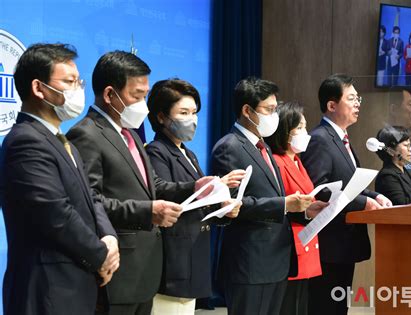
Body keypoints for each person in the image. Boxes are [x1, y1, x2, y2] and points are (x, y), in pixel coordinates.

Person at [67, 51, 213, 315]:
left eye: (145, 95)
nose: (143, 105)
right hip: (117, 271)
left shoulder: (130, 135)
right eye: (137, 96)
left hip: (146, 271)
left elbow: (153, 185)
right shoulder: (86, 134)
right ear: (110, 95)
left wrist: (194, 187)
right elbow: (90, 202)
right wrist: (148, 212)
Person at [0, 43, 118, 315]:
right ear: (39, 88)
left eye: (79, 81)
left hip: (75, 286)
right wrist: (100, 256)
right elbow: (55, 214)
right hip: (47, 290)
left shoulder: (63, 141)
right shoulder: (25, 141)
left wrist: (109, 237)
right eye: (69, 82)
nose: (78, 89)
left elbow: (91, 198)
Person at [211, 77, 315, 315]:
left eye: (275, 109)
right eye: (269, 110)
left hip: (275, 260)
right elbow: (232, 205)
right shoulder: (230, 146)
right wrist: (284, 205)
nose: (274, 116)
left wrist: (304, 209)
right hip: (250, 262)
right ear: (247, 110)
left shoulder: (263, 146)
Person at [145, 78, 243, 314]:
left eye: (195, 112)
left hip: (195, 257)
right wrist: (202, 185)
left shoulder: (189, 154)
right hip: (174, 260)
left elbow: (201, 203)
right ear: (161, 117)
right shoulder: (156, 150)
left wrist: (223, 209)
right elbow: (162, 189)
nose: (193, 119)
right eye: (184, 112)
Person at [300, 73, 392, 315]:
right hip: (330, 243)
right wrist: (363, 203)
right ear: (332, 105)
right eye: (351, 98)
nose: (357, 103)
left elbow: (349, 184)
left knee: (338, 307)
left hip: (344, 243)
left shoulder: (341, 139)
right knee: (325, 307)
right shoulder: (320, 139)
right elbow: (320, 189)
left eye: (358, 98)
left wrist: (373, 196)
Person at [265, 101, 328, 315]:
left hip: (305, 242)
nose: (305, 132)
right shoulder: (277, 161)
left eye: (305, 126)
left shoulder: (297, 161)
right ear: (284, 131)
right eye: (299, 128)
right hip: (289, 246)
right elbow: (281, 205)